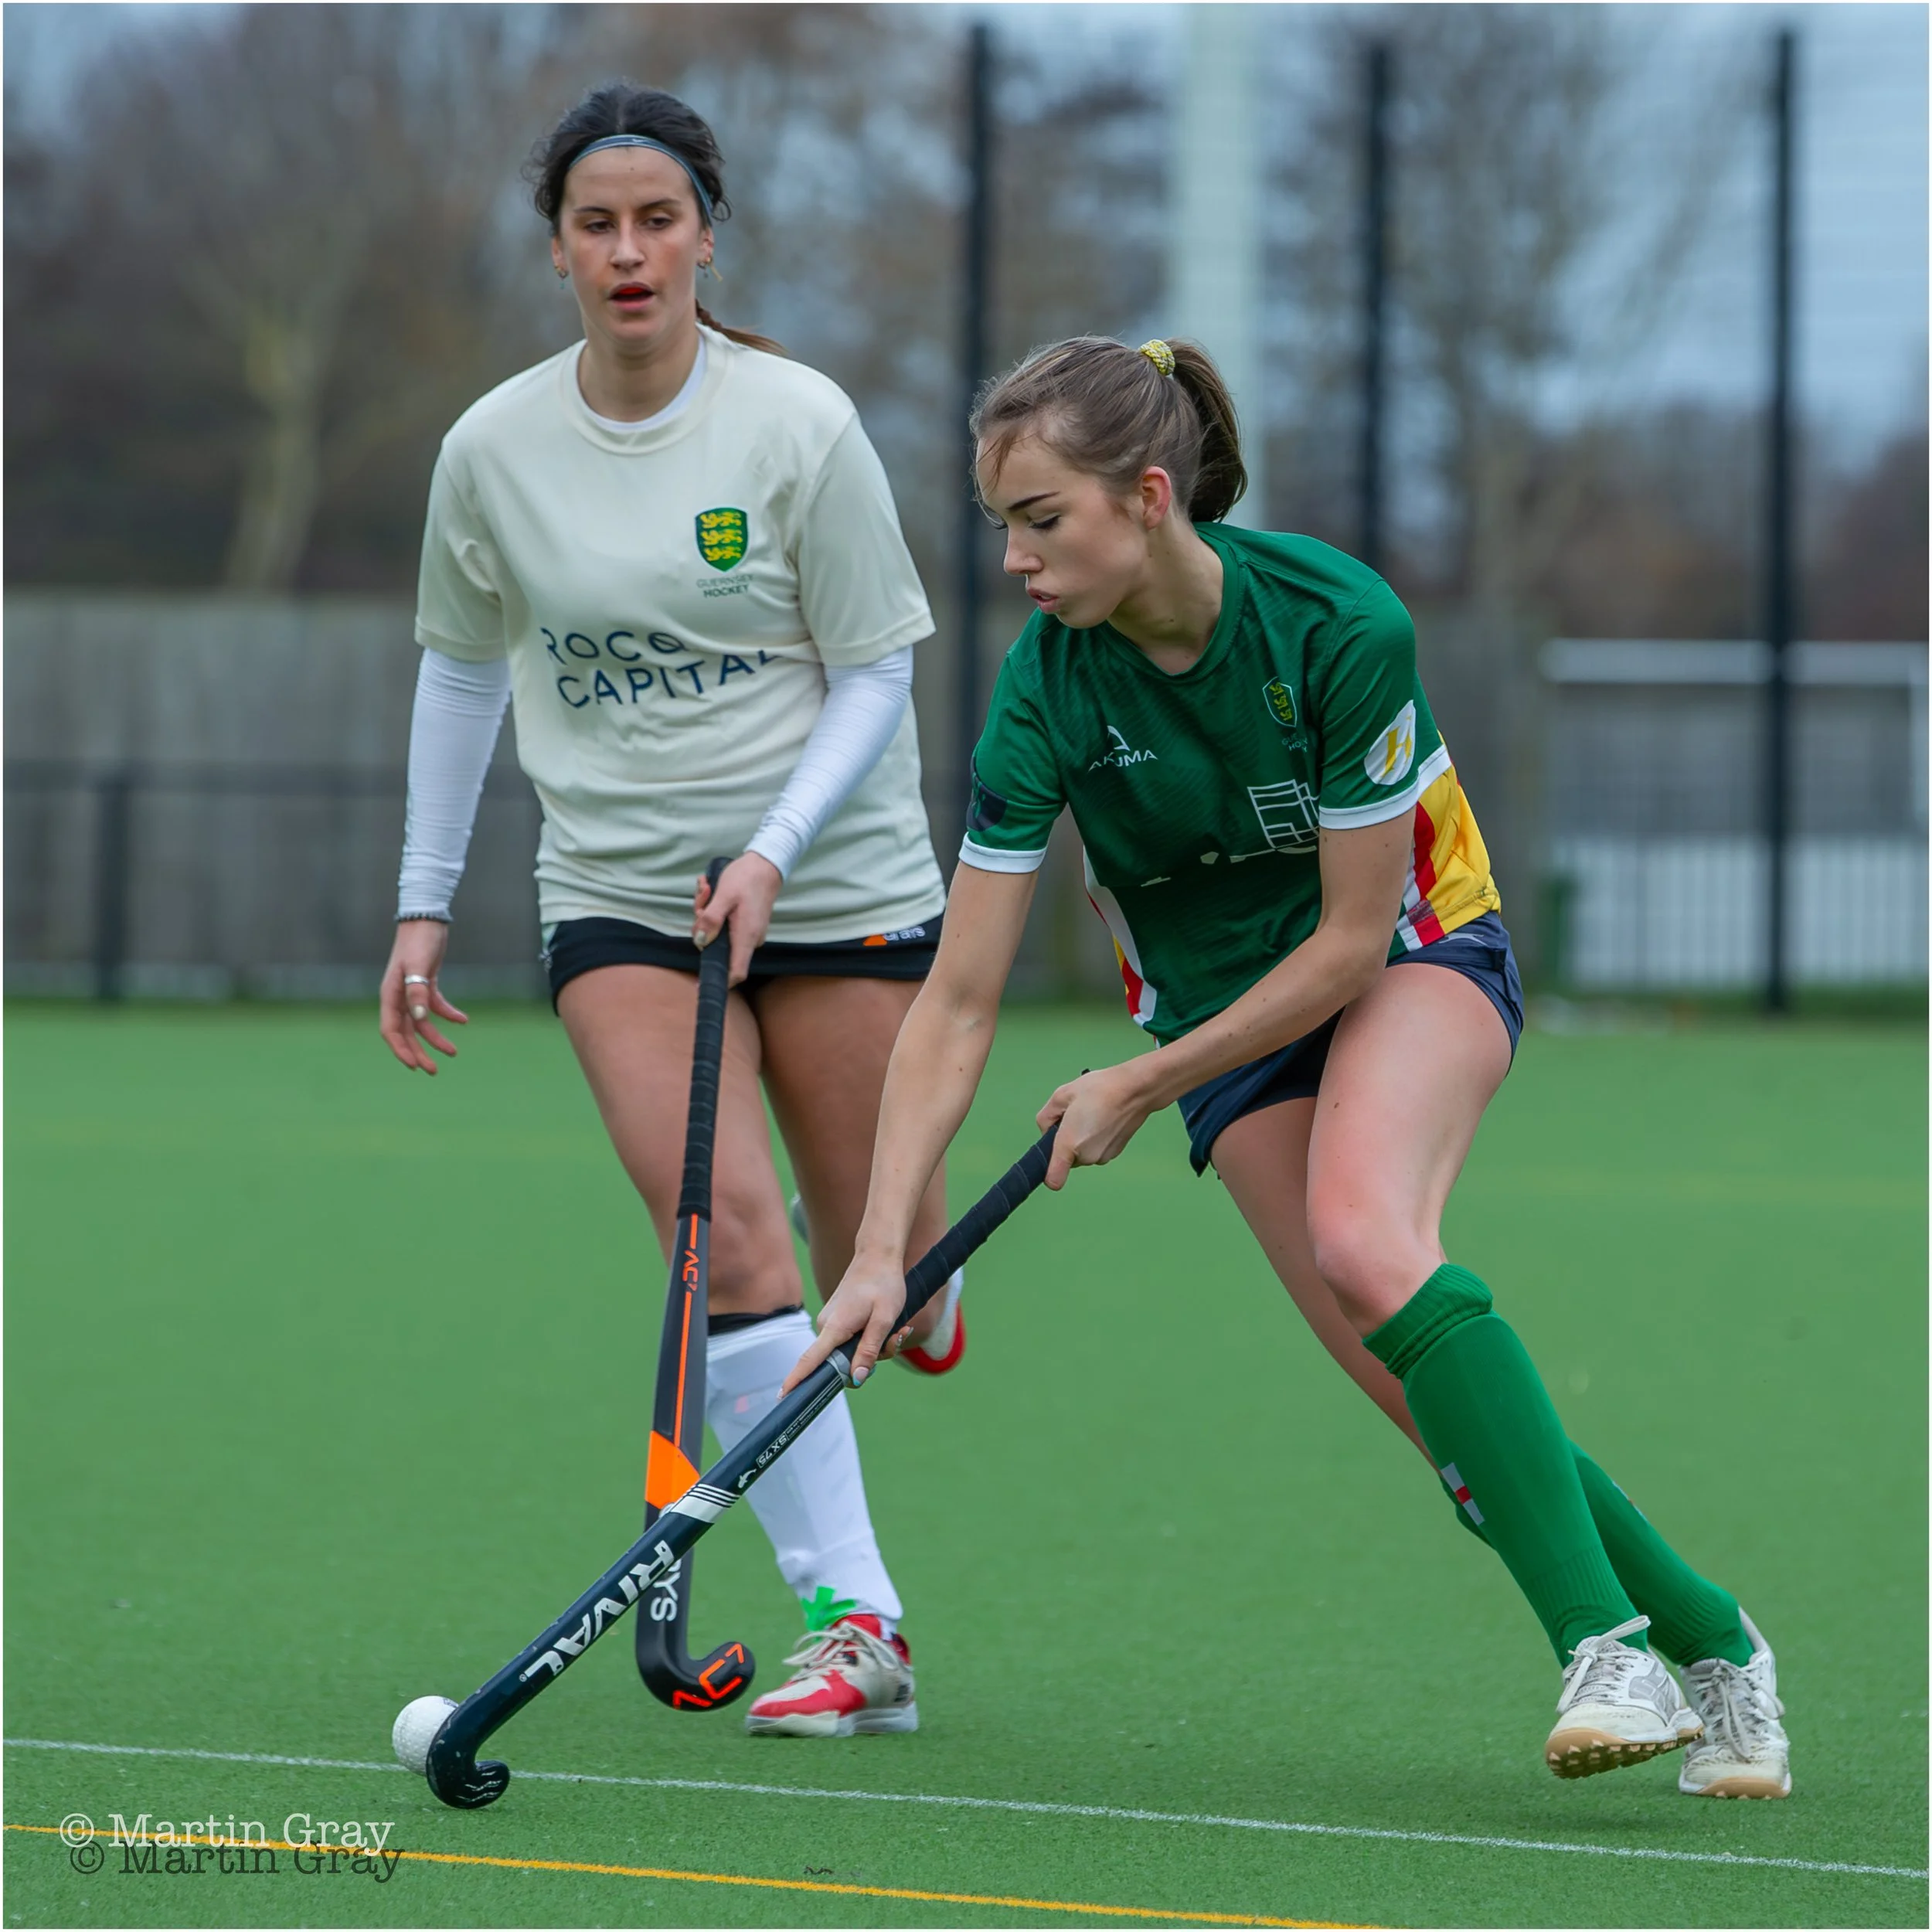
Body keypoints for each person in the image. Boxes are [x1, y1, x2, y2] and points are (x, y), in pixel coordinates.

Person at [788, 335, 1791, 1796]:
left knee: (1366, 1238)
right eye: (1001, 522)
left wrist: (1132, 1085)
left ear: (1145, 497)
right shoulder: (1046, 691)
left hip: (1411, 956)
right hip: (1218, 1016)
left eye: (1040, 518)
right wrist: (889, 1252)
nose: (1011, 559)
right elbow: (953, 1004)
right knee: (1421, 1398)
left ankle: (1607, 1648)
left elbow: (1343, 947)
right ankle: (1720, 1643)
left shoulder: (1337, 622)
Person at [377, 81, 968, 1740]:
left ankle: (908, 1279)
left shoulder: (796, 424)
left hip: (834, 880)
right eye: (594, 223)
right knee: (722, 1236)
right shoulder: (491, 448)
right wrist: (423, 904)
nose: (627, 251)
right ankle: (860, 1626)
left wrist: (774, 843)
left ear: (704, 233)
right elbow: (456, 665)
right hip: (623, 893)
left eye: (656, 220)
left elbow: (873, 670)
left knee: (885, 1270)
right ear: (555, 247)